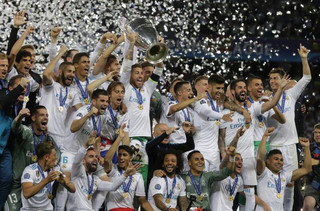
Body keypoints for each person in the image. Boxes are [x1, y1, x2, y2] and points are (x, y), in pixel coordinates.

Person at [219, 76, 289, 211]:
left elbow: (273, 103)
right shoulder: (224, 113)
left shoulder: (253, 109)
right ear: (232, 92)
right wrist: (223, 154)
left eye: (245, 87)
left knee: (250, 194)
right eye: (240, 87)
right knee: (226, 192)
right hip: (230, 158)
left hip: (248, 158)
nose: (243, 89)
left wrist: (280, 88)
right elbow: (221, 137)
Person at [266, 44, 312, 211]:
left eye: (275, 78)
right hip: (273, 145)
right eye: (270, 79)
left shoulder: (290, 96)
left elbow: (306, 77)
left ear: (283, 80)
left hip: (290, 145)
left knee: (290, 184)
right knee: (273, 184)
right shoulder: (266, 99)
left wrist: (304, 59)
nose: (272, 82)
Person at [120, 33, 163, 186]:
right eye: (136, 73)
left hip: (145, 140)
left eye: (141, 73)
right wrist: (131, 43)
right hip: (128, 138)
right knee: (126, 178)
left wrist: (158, 48)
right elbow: (125, 65)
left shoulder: (148, 89)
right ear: (130, 76)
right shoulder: (125, 88)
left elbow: (158, 70)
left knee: (141, 181)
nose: (140, 76)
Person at [66, 132, 140, 211]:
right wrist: (86, 145)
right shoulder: (77, 172)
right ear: (83, 161)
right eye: (91, 156)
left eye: (96, 157)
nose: (95, 159)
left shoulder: (96, 180)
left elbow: (112, 187)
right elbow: (77, 161)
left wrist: (125, 174)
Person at [4, 106, 56, 211]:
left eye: (47, 115)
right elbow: (15, 127)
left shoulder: (46, 138)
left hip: (34, 183)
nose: (45, 117)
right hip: (18, 184)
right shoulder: (26, 132)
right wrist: (20, 116)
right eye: (42, 115)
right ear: (33, 118)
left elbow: (56, 154)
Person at [256, 127, 312, 211]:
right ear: (268, 161)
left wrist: (306, 148)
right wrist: (265, 137)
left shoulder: (284, 176)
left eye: (281, 160)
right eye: (276, 159)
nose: (279, 162)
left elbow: (306, 169)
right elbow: (260, 157)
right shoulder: (263, 172)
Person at [103, 125, 154, 211]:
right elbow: (107, 160)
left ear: (131, 158)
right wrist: (119, 137)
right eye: (119, 155)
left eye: (124, 155)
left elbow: (143, 201)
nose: (121, 157)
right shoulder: (113, 170)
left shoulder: (137, 176)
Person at [40, 45, 82, 149]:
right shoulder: (51, 86)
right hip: (46, 131)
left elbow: (81, 109)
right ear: (60, 72)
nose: (72, 75)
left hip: (61, 136)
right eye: (69, 71)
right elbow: (46, 73)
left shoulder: (73, 92)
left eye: (73, 72)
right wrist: (60, 54)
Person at [193, 75, 233, 171]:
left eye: (222, 88)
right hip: (201, 151)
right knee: (203, 182)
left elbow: (221, 132)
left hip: (215, 153)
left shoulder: (218, 105)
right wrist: (222, 116)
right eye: (217, 88)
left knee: (216, 184)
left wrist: (223, 152)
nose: (220, 91)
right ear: (209, 87)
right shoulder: (201, 101)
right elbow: (206, 111)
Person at [20, 141, 75, 211]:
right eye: (54, 155)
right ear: (46, 157)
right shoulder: (30, 170)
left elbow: (73, 189)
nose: (56, 158)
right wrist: (46, 180)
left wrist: (64, 182)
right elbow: (26, 194)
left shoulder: (55, 170)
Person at [0, 75, 28, 209]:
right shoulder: (3, 94)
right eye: (20, 87)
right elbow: (4, 102)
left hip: (5, 148)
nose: (23, 90)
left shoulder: (20, 104)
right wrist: (20, 86)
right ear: (11, 88)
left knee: (7, 179)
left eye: (25, 87)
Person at [182, 146, 236, 211]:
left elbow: (227, 171)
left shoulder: (208, 176)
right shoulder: (182, 178)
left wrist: (232, 157)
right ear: (189, 163)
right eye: (196, 159)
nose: (200, 162)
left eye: (202, 159)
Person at [246, 75, 285, 157]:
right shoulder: (246, 104)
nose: (260, 87)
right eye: (257, 85)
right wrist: (280, 89)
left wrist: (271, 104)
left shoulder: (264, 103)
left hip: (265, 143)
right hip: (250, 144)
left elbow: (282, 120)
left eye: (261, 85)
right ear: (249, 88)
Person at [302, 123, 320, 211]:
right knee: (307, 205)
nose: (317, 135)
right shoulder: (309, 147)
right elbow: (304, 163)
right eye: (316, 132)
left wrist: (317, 162)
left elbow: (312, 162)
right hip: (313, 183)